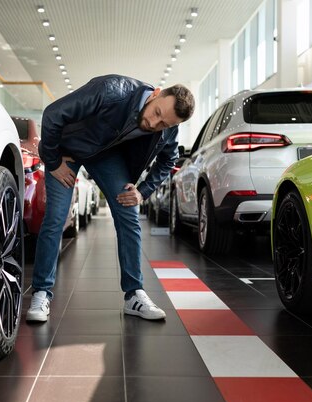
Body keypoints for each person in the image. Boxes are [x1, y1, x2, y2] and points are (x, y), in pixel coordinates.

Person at [26, 74, 194, 322]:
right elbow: (53, 113)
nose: (153, 123)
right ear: (156, 93)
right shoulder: (111, 90)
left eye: (163, 124)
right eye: (157, 113)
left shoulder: (168, 127)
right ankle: (41, 293)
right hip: (67, 150)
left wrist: (142, 191)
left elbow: (167, 160)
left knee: (129, 213)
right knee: (55, 217)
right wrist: (52, 162)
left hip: (105, 155)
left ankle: (134, 294)